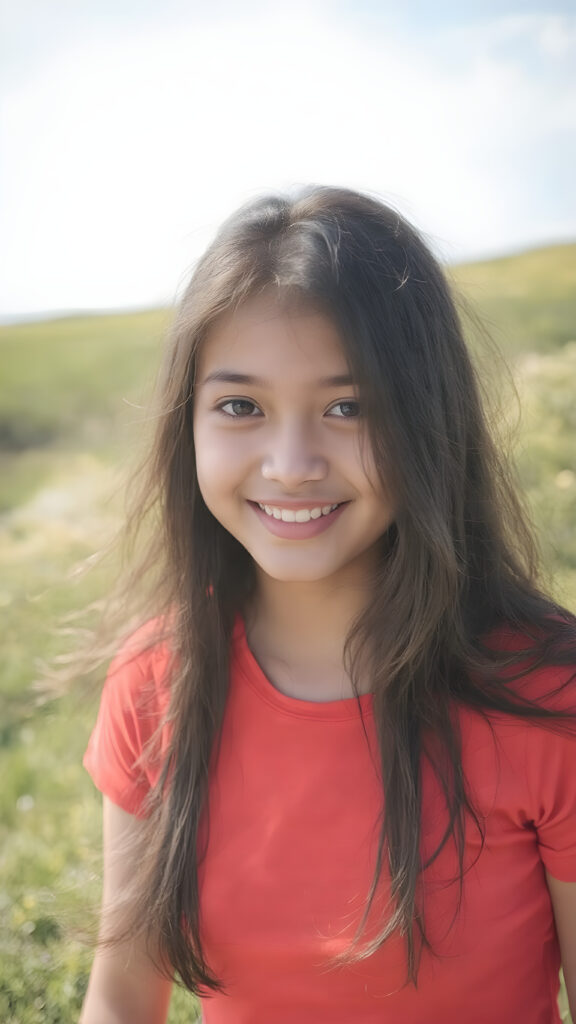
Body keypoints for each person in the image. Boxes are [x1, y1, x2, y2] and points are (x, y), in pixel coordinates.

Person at [79, 186, 576, 1024]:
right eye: (241, 406)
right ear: (187, 423)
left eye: (349, 407)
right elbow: (122, 999)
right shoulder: (153, 684)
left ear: (430, 419)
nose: (291, 463)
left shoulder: (549, 692)